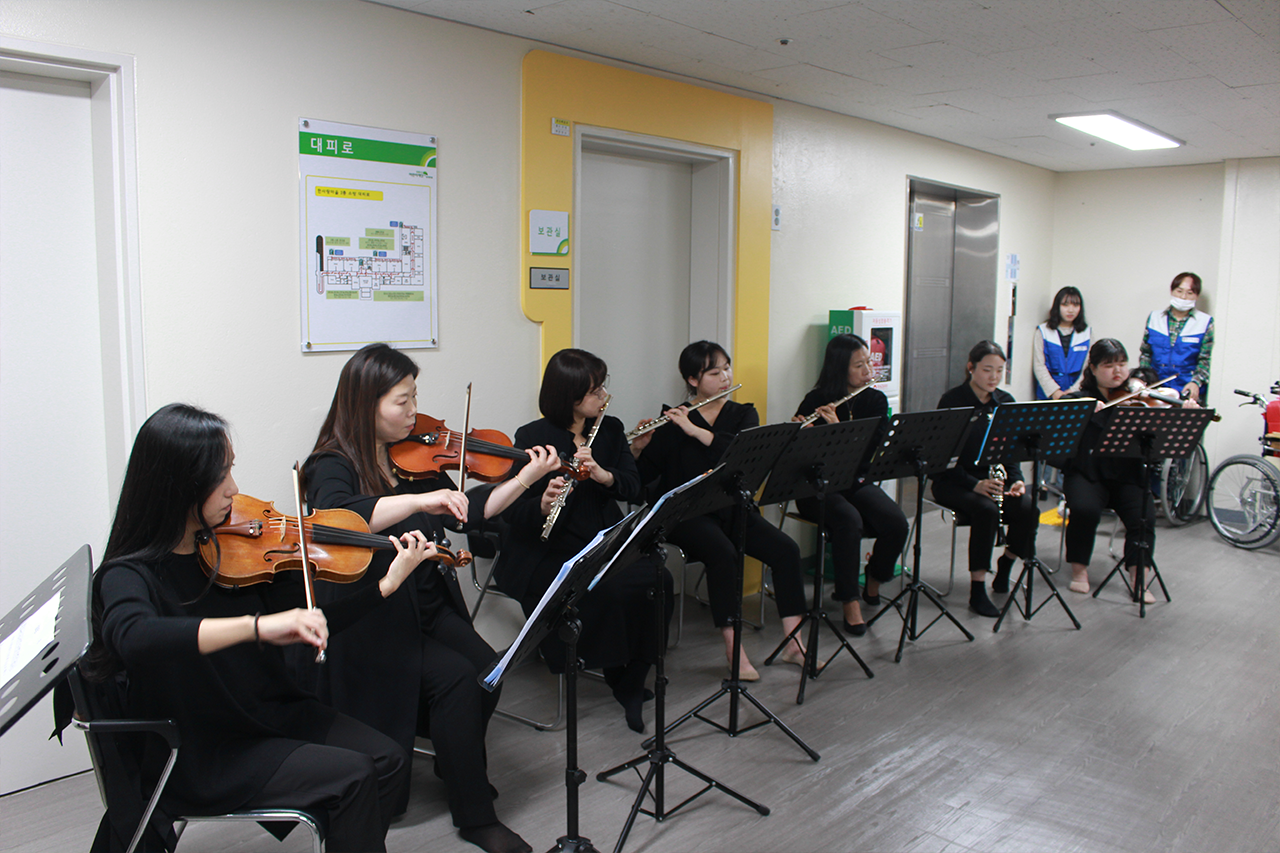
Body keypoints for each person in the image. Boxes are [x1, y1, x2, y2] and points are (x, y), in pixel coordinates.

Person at [81, 403, 418, 853]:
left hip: (264, 714)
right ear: (178, 484)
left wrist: (384, 587)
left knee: (389, 761)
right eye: (219, 476)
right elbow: (134, 637)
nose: (234, 489)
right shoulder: (127, 575)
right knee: (354, 776)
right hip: (203, 748)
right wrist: (255, 627)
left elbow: (311, 620)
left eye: (231, 470)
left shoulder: (229, 551)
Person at [304, 343, 558, 853]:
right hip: (377, 612)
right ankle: (475, 815)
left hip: (428, 602)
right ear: (365, 403)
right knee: (457, 680)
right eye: (402, 401)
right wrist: (418, 500)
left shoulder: (409, 455)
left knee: (488, 673)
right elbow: (340, 522)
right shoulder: (330, 464)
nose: (413, 411)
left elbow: (469, 510)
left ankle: (454, 756)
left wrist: (525, 477)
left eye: (414, 397)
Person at [497, 348, 673, 734]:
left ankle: (631, 678)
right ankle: (612, 670)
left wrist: (603, 475)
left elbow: (634, 486)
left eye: (602, 387)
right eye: (595, 391)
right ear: (570, 397)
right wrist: (542, 504)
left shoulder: (609, 429)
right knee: (603, 590)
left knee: (659, 578)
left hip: (603, 540)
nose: (604, 396)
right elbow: (510, 512)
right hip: (549, 549)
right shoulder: (532, 437)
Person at [632, 340, 809, 680]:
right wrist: (639, 450)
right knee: (723, 554)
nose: (726, 377)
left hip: (733, 508)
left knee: (786, 550)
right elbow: (643, 481)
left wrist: (696, 431)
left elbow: (741, 455)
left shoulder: (743, 414)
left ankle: (794, 643)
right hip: (688, 515)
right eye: (714, 372)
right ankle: (734, 649)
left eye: (727, 368)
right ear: (693, 380)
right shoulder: (672, 420)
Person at [792, 334, 909, 635]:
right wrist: (798, 432)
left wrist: (837, 428)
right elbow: (802, 457)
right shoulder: (815, 400)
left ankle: (873, 579)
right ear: (840, 368)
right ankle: (849, 600)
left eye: (869, 361)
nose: (868, 369)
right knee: (848, 520)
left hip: (855, 481)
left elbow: (870, 452)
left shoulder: (874, 400)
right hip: (817, 486)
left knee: (896, 523)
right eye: (859, 365)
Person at [930, 341, 1040, 617]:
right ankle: (977, 590)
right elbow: (941, 460)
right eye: (987, 369)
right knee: (986, 509)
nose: (994, 377)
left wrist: (1016, 480)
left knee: (1029, 509)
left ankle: (1005, 566)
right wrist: (974, 484)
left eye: (1000, 370)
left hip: (992, 480)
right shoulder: (952, 401)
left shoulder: (1005, 402)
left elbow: (1010, 452)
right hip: (954, 481)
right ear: (971, 368)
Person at [1062, 339, 1158, 601]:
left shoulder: (1136, 399)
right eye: (1108, 365)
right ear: (1093, 368)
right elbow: (1061, 406)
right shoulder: (1080, 399)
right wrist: (1083, 409)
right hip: (1087, 473)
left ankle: (1139, 577)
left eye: (1122, 364)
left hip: (1127, 474)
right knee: (1084, 510)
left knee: (1145, 515)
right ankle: (1079, 571)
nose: (1118, 371)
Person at [1139, 271, 1213, 406]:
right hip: (1156, 389)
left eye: (1190, 293)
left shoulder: (1205, 322)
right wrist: (1145, 379)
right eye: (1179, 291)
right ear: (1172, 291)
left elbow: (1205, 359)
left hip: (1186, 390)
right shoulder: (1154, 318)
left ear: (1197, 296)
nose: (1183, 297)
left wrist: (1196, 382)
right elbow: (1145, 353)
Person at [1032, 286, 1092, 400]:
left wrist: (1074, 390)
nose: (1071, 310)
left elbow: (1088, 366)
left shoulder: (1086, 333)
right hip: (1048, 395)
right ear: (1057, 306)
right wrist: (1054, 391)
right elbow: (1039, 365)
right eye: (1065, 305)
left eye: (1076, 305)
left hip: (1078, 393)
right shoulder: (1043, 331)